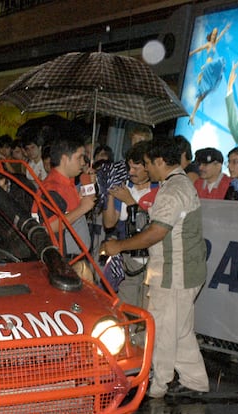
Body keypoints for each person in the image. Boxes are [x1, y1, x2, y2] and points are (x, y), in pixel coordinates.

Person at [100, 137, 209, 399]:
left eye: (148, 163)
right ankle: (195, 381)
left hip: (174, 272)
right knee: (179, 329)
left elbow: (156, 232)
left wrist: (119, 246)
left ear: (161, 161)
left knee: (160, 328)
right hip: (186, 271)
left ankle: (158, 385)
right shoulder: (179, 184)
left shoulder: (171, 191)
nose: (146, 169)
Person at [101, 141, 157, 307]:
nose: (131, 172)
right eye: (129, 167)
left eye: (136, 167)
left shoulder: (159, 188)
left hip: (152, 258)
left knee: (148, 308)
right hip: (128, 259)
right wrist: (110, 193)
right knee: (127, 308)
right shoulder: (126, 187)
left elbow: (151, 225)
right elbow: (109, 222)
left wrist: (130, 201)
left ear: (148, 166)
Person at [33, 131, 95, 268]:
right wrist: (82, 209)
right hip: (65, 262)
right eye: (79, 157)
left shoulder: (67, 183)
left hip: (76, 259)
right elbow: (49, 227)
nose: (83, 162)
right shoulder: (52, 188)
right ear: (65, 158)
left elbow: (69, 211)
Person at [188, 23, 230, 126]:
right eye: (213, 34)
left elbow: (221, 35)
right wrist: (190, 53)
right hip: (208, 66)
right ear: (210, 35)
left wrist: (225, 28)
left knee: (202, 97)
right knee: (220, 61)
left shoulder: (214, 44)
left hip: (211, 68)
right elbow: (199, 49)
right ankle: (192, 115)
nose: (214, 36)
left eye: (215, 35)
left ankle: (192, 116)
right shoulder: (208, 45)